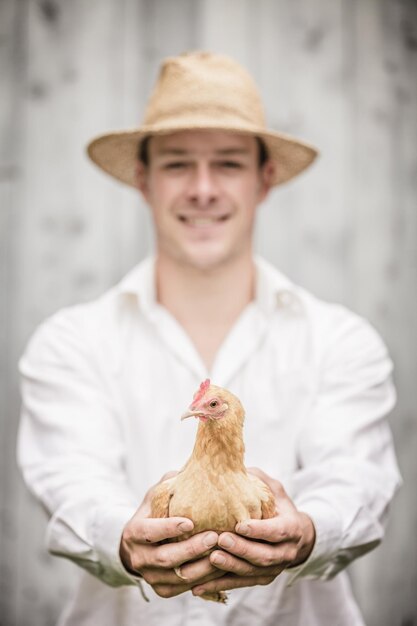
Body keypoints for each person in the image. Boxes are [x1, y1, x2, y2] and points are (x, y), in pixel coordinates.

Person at [17, 51, 401, 626]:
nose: (202, 189)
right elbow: (73, 480)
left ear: (263, 179)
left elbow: (356, 477)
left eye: (226, 163)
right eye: (176, 165)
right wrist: (125, 539)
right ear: (143, 180)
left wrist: (311, 528)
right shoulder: (70, 343)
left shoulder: (341, 342)